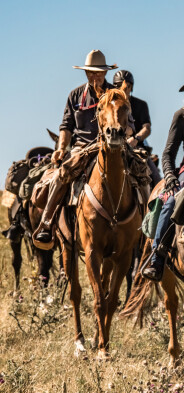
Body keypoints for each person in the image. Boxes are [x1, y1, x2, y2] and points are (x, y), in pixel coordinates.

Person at [33, 50, 141, 246]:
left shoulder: (116, 94)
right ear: (85, 73)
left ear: (105, 72)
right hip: (81, 147)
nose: (94, 76)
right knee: (60, 176)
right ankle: (46, 223)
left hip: (114, 145)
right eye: (90, 72)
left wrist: (121, 134)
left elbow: (131, 126)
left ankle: (146, 229)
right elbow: (66, 126)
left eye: (98, 72)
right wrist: (61, 147)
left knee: (143, 173)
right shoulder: (75, 95)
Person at [141, 62, 184, 281]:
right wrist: (170, 176)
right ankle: (157, 256)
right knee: (172, 201)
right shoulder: (182, 116)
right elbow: (168, 153)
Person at [112, 70, 161, 186]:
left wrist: (136, 138)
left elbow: (147, 128)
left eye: (127, 86)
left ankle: (161, 196)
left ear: (131, 87)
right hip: (113, 146)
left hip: (136, 147)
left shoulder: (140, 105)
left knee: (156, 178)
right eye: (118, 85)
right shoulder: (110, 105)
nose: (123, 88)